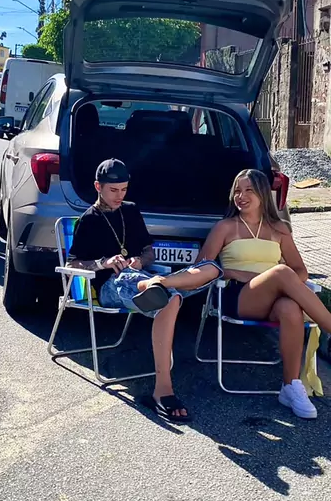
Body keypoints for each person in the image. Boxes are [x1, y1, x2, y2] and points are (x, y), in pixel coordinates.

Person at [67, 159, 221, 422]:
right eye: (113, 190)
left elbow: (149, 252)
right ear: (98, 187)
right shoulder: (88, 220)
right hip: (109, 286)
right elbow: (72, 264)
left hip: (142, 277)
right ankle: (164, 389)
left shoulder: (130, 211)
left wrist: (140, 260)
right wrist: (104, 262)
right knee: (138, 282)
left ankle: (161, 284)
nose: (119, 196)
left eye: (124, 189)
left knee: (212, 269)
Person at [197, 168, 331, 419]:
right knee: (280, 271)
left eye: (249, 190)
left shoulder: (279, 229)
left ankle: (290, 386)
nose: (241, 196)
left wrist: (280, 282)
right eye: (237, 191)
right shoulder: (225, 227)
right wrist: (234, 272)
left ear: (262, 194)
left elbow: (301, 271)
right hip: (238, 296)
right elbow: (201, 268)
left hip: (274, 298)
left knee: (290, 308)